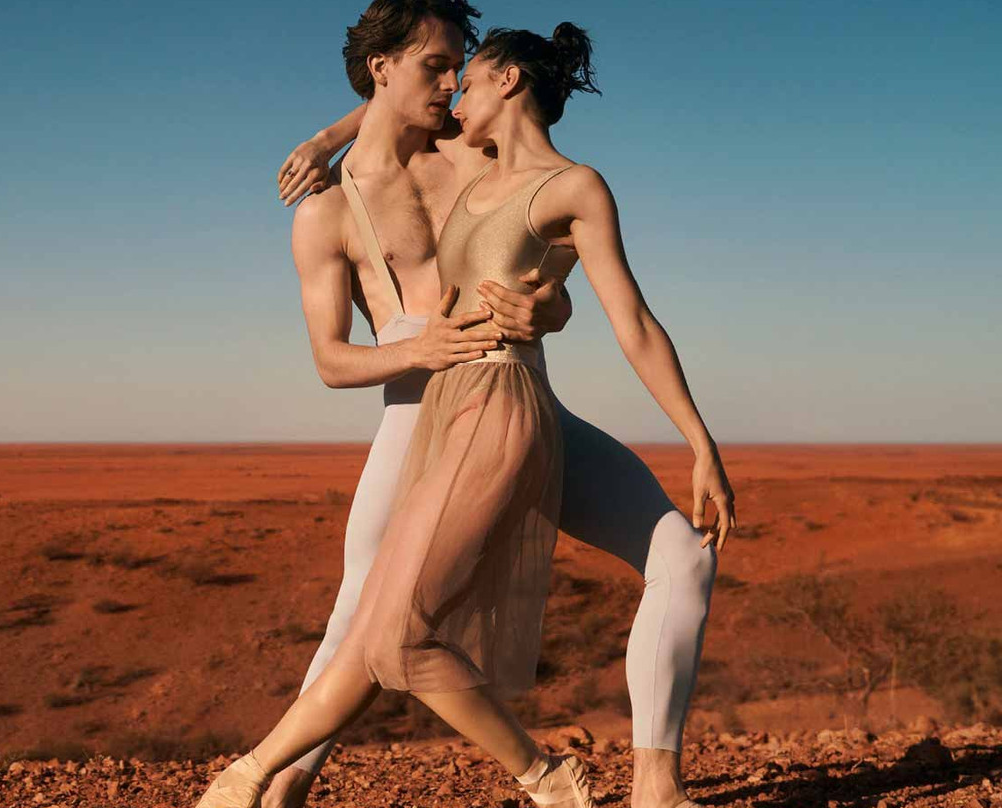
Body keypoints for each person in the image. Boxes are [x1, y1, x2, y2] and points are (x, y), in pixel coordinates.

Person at [201, 4, 736, 808]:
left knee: (685, 558)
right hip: (420, 411)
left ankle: (655, 787)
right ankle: (282, 788)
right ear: (383, 68)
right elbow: (330, 360)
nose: (454, 88)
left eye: (462, 69)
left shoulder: (473, 153)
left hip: (517, 400)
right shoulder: (329, 210)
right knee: (367, 613)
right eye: (436, 67)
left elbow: (551, 253)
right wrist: (328, 146)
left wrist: (553, 306)